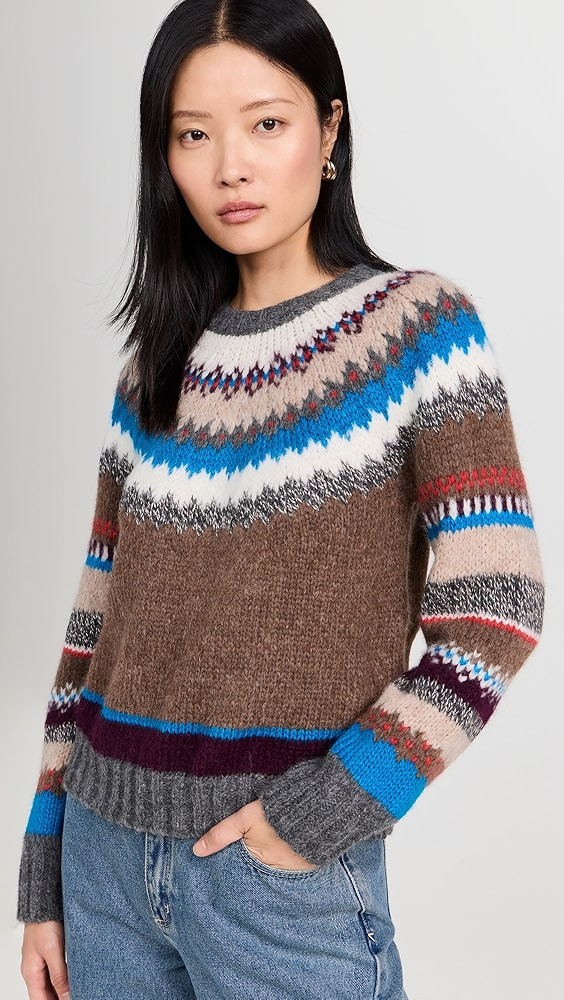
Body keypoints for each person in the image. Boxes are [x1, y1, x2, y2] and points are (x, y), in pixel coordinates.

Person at [17, 1, 545, 998]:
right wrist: (43, 864)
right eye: (193, 134)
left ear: (329, 129)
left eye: (267, 122)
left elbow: (496, 608)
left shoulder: (417, 328)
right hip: (101, 864)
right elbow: (93, 627)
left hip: (277, 881)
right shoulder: (153, 370)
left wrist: (324, 814)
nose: (231, 167)